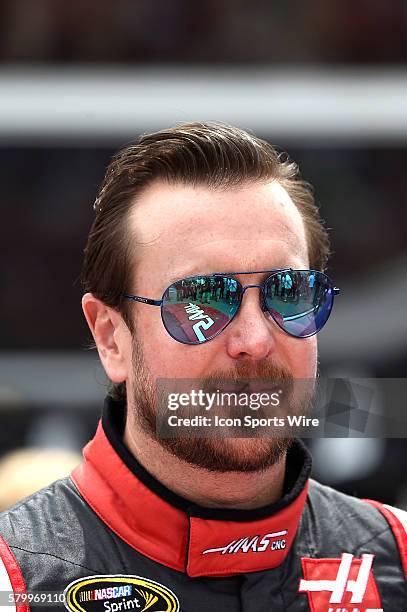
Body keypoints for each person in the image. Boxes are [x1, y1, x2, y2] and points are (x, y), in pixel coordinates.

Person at [0, 123, 405, 611]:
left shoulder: (396, 559)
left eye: (287, 293)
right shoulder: (17, 582)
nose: (255, 341)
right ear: (111, 337)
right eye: (202, 302)